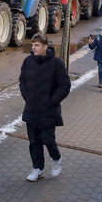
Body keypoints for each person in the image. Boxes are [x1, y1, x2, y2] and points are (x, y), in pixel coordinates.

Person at [19, 33, 71, 182]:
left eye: (36, 45)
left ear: (45, 47)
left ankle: (56, 158)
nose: (33, 47)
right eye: (32, 44)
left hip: (48, 110)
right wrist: (26, 96)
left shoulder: (56, 64)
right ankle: (37, 168)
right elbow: (22, 80)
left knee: (48, 139)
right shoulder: (28, 61)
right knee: (34, 141)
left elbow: (65, 85)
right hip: (31, 109)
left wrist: (52, 100)